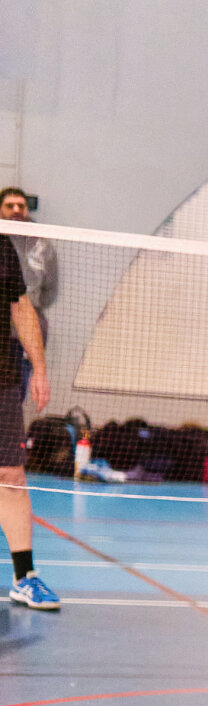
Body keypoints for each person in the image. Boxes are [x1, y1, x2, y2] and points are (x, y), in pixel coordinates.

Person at [0, 187, 55, 611]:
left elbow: (21, 307)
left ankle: (25, 577)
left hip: (2, 377)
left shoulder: (3, 248)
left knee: (11, 477)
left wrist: (39, 366)